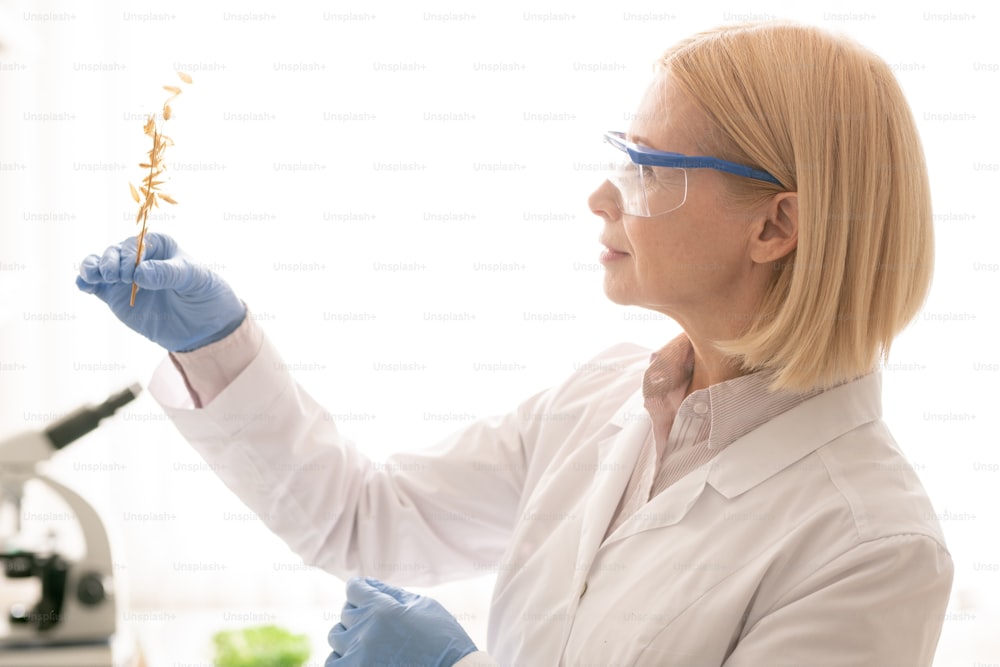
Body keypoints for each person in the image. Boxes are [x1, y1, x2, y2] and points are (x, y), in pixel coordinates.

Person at [77, 20, 953, 667]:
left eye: (649, 170)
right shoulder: (603, 399)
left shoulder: (871, 545)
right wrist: (220, 346)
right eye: (622, 158)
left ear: (775, 225)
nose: (604, 198)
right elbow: (366, 519)